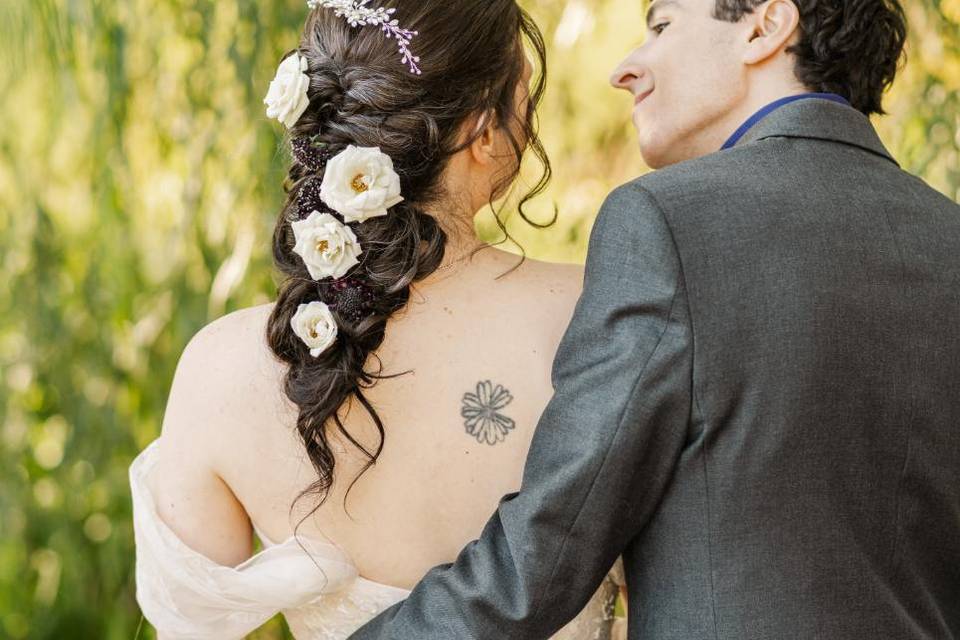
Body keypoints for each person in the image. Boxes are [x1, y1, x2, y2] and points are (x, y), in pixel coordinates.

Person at [349, 0, 960, 637]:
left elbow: (553, 542)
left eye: (662, 25)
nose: (625, 70)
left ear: (765, 26)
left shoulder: (668, 220)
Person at [129, 1, 627, 638]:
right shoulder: (598, 313)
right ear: (483, 129)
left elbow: (189, 625)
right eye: (524, 94)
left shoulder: (216, 369)